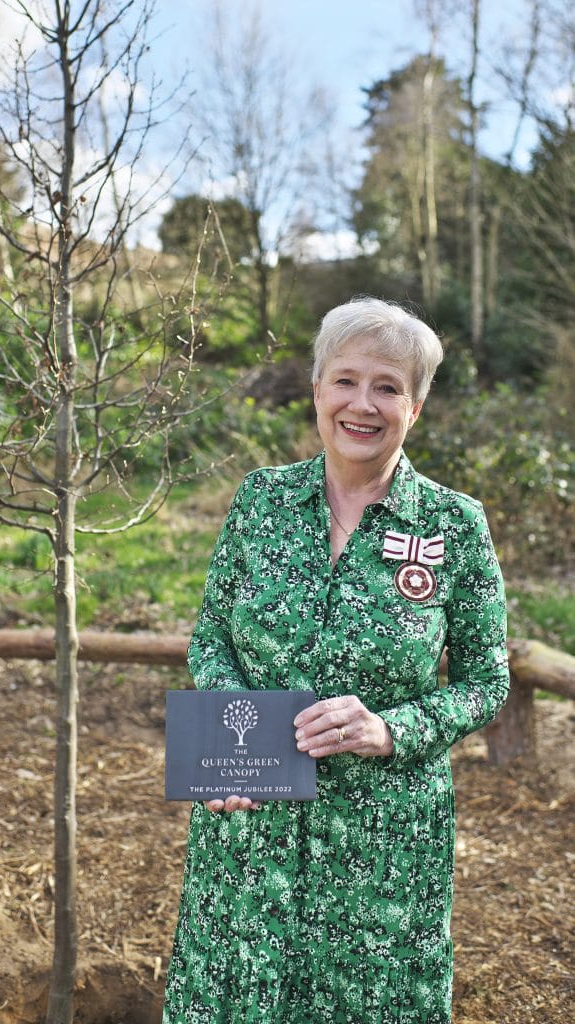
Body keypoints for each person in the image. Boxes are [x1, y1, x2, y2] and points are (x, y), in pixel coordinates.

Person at [163, 297, 509, 1024]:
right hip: (250, 830)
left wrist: (393, 730)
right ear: (317, 389)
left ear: (415, 406)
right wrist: (237, 740)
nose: (363, 403)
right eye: (345, 380)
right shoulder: (260, 501)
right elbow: (211, 638)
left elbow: (485, 680)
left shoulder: (454, 525)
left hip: (386, 843)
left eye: (387, 386)